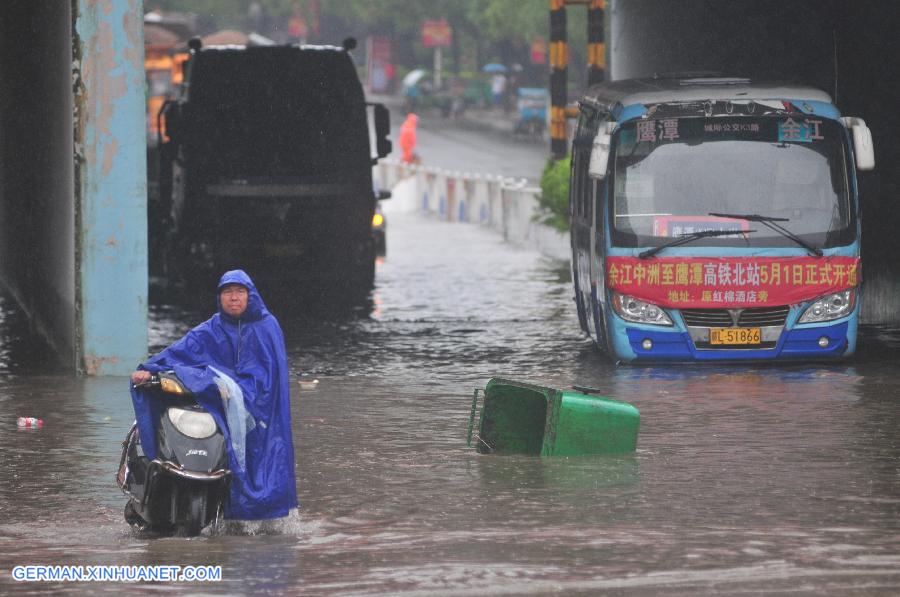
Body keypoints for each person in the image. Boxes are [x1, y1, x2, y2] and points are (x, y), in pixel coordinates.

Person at [130, 270, 298, 520]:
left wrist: (239, 391)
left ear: (250, 296)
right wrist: (148, 369)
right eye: (227, 293)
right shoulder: (212, 328)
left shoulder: (267, 327)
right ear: (219, 298)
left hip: (260, 405)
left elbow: (271, 377)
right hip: (220, 400)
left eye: (239, 292)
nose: (233, 298)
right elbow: (181, 351)